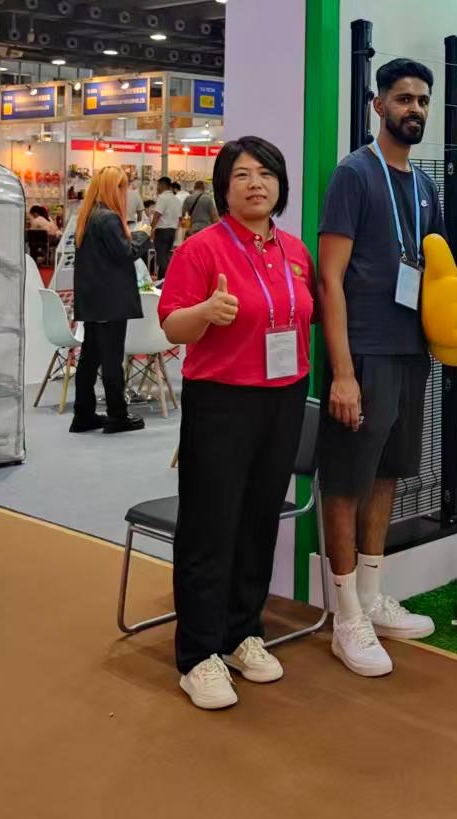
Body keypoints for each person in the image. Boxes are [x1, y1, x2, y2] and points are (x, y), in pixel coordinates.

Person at [317, 57, 457, 676]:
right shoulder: (354, 174)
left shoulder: (423, 187)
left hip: (411, 351)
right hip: (365, 354)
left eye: (423, 100)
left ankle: (371, 598)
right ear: (378, 106)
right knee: (346, 483)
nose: (415, 109)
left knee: (387, 475)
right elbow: (330, 278)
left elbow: (433, 277)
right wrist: (342, 372)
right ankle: (344, 615)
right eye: (403, 99)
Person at [159, 136, 316, 711]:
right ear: (224, 187)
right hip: (221, 401)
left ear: (280, 185)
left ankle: (242, 632)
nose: (256, 184)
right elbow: (173, 326)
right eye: (243, 175)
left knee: (257, 520)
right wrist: (204, 314)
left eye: (267, 174)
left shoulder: (296, 251)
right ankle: (198, 654)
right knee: (210, 524)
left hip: (283, 397)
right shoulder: (202, 249)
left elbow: (303, 317)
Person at [70, 166, 145, 434]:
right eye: (123, 188)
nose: (127, 193)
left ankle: (83, 414)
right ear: (116, 189)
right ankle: (117, 414)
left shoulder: (88, 217)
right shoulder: (110, 219)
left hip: (93, 300)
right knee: (111, 358)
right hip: (110, 300)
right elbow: (125, 254)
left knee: (90, 358)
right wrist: (142, 235)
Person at [153, 176, 184, 279]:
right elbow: (180, 219)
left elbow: (157, 215)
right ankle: (162, 280)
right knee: (166, 256)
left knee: (161, 257)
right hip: (172, 231)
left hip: (162, 231)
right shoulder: (176, 200)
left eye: (158, 185)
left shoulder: (162, 198)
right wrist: (175, 229)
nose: (157, 187)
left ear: (162, 185)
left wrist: (151, 229)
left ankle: (167, 278)